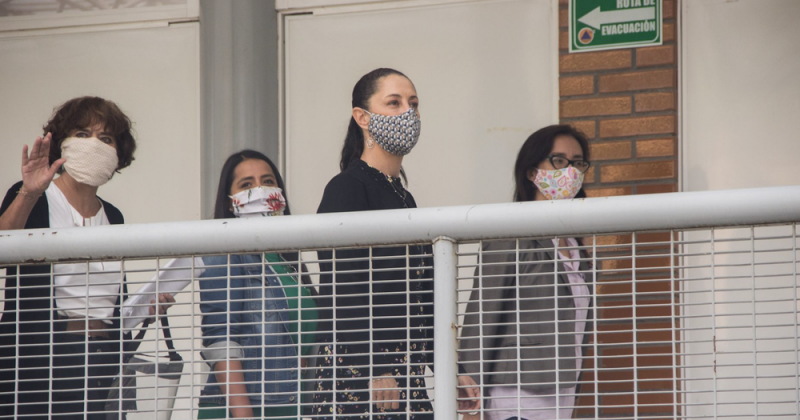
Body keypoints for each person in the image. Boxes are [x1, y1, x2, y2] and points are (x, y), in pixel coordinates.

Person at [311, 68, 479, 420]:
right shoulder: (346, 188)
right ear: (362, 117)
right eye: (394, 102)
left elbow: (423, 297)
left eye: (413, 104)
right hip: (361, 379)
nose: (408, 112)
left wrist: (450, 368)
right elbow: (342, 286)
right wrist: (373, 366)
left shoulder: (404, 197)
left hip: (407, 379)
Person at [0, 96, 173, 419]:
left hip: (103, 360)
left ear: (118, 153)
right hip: (40, 362)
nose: (94, 144)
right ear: (62, 143)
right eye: (82, 134)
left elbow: (109, 303)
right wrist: (29, 192)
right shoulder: (36, 195)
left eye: (105, 138)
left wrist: (146, 309)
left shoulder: (114, 216)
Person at [460, 124, 595, 420]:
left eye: (578, 162)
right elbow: (482, 315)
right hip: (518, 394)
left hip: (562, 392)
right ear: (532, 172)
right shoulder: (511, 232)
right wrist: (467, 396)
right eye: (558, 160)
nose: (569, 170)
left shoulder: (576, 244)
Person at [198, 150, 318, 419]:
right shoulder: (225, 251)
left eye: (268, 181)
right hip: (244, 411)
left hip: (289, 407)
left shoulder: (290, 262)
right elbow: (221, 342)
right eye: (247, 185)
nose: (260, 190)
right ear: (231, 202)